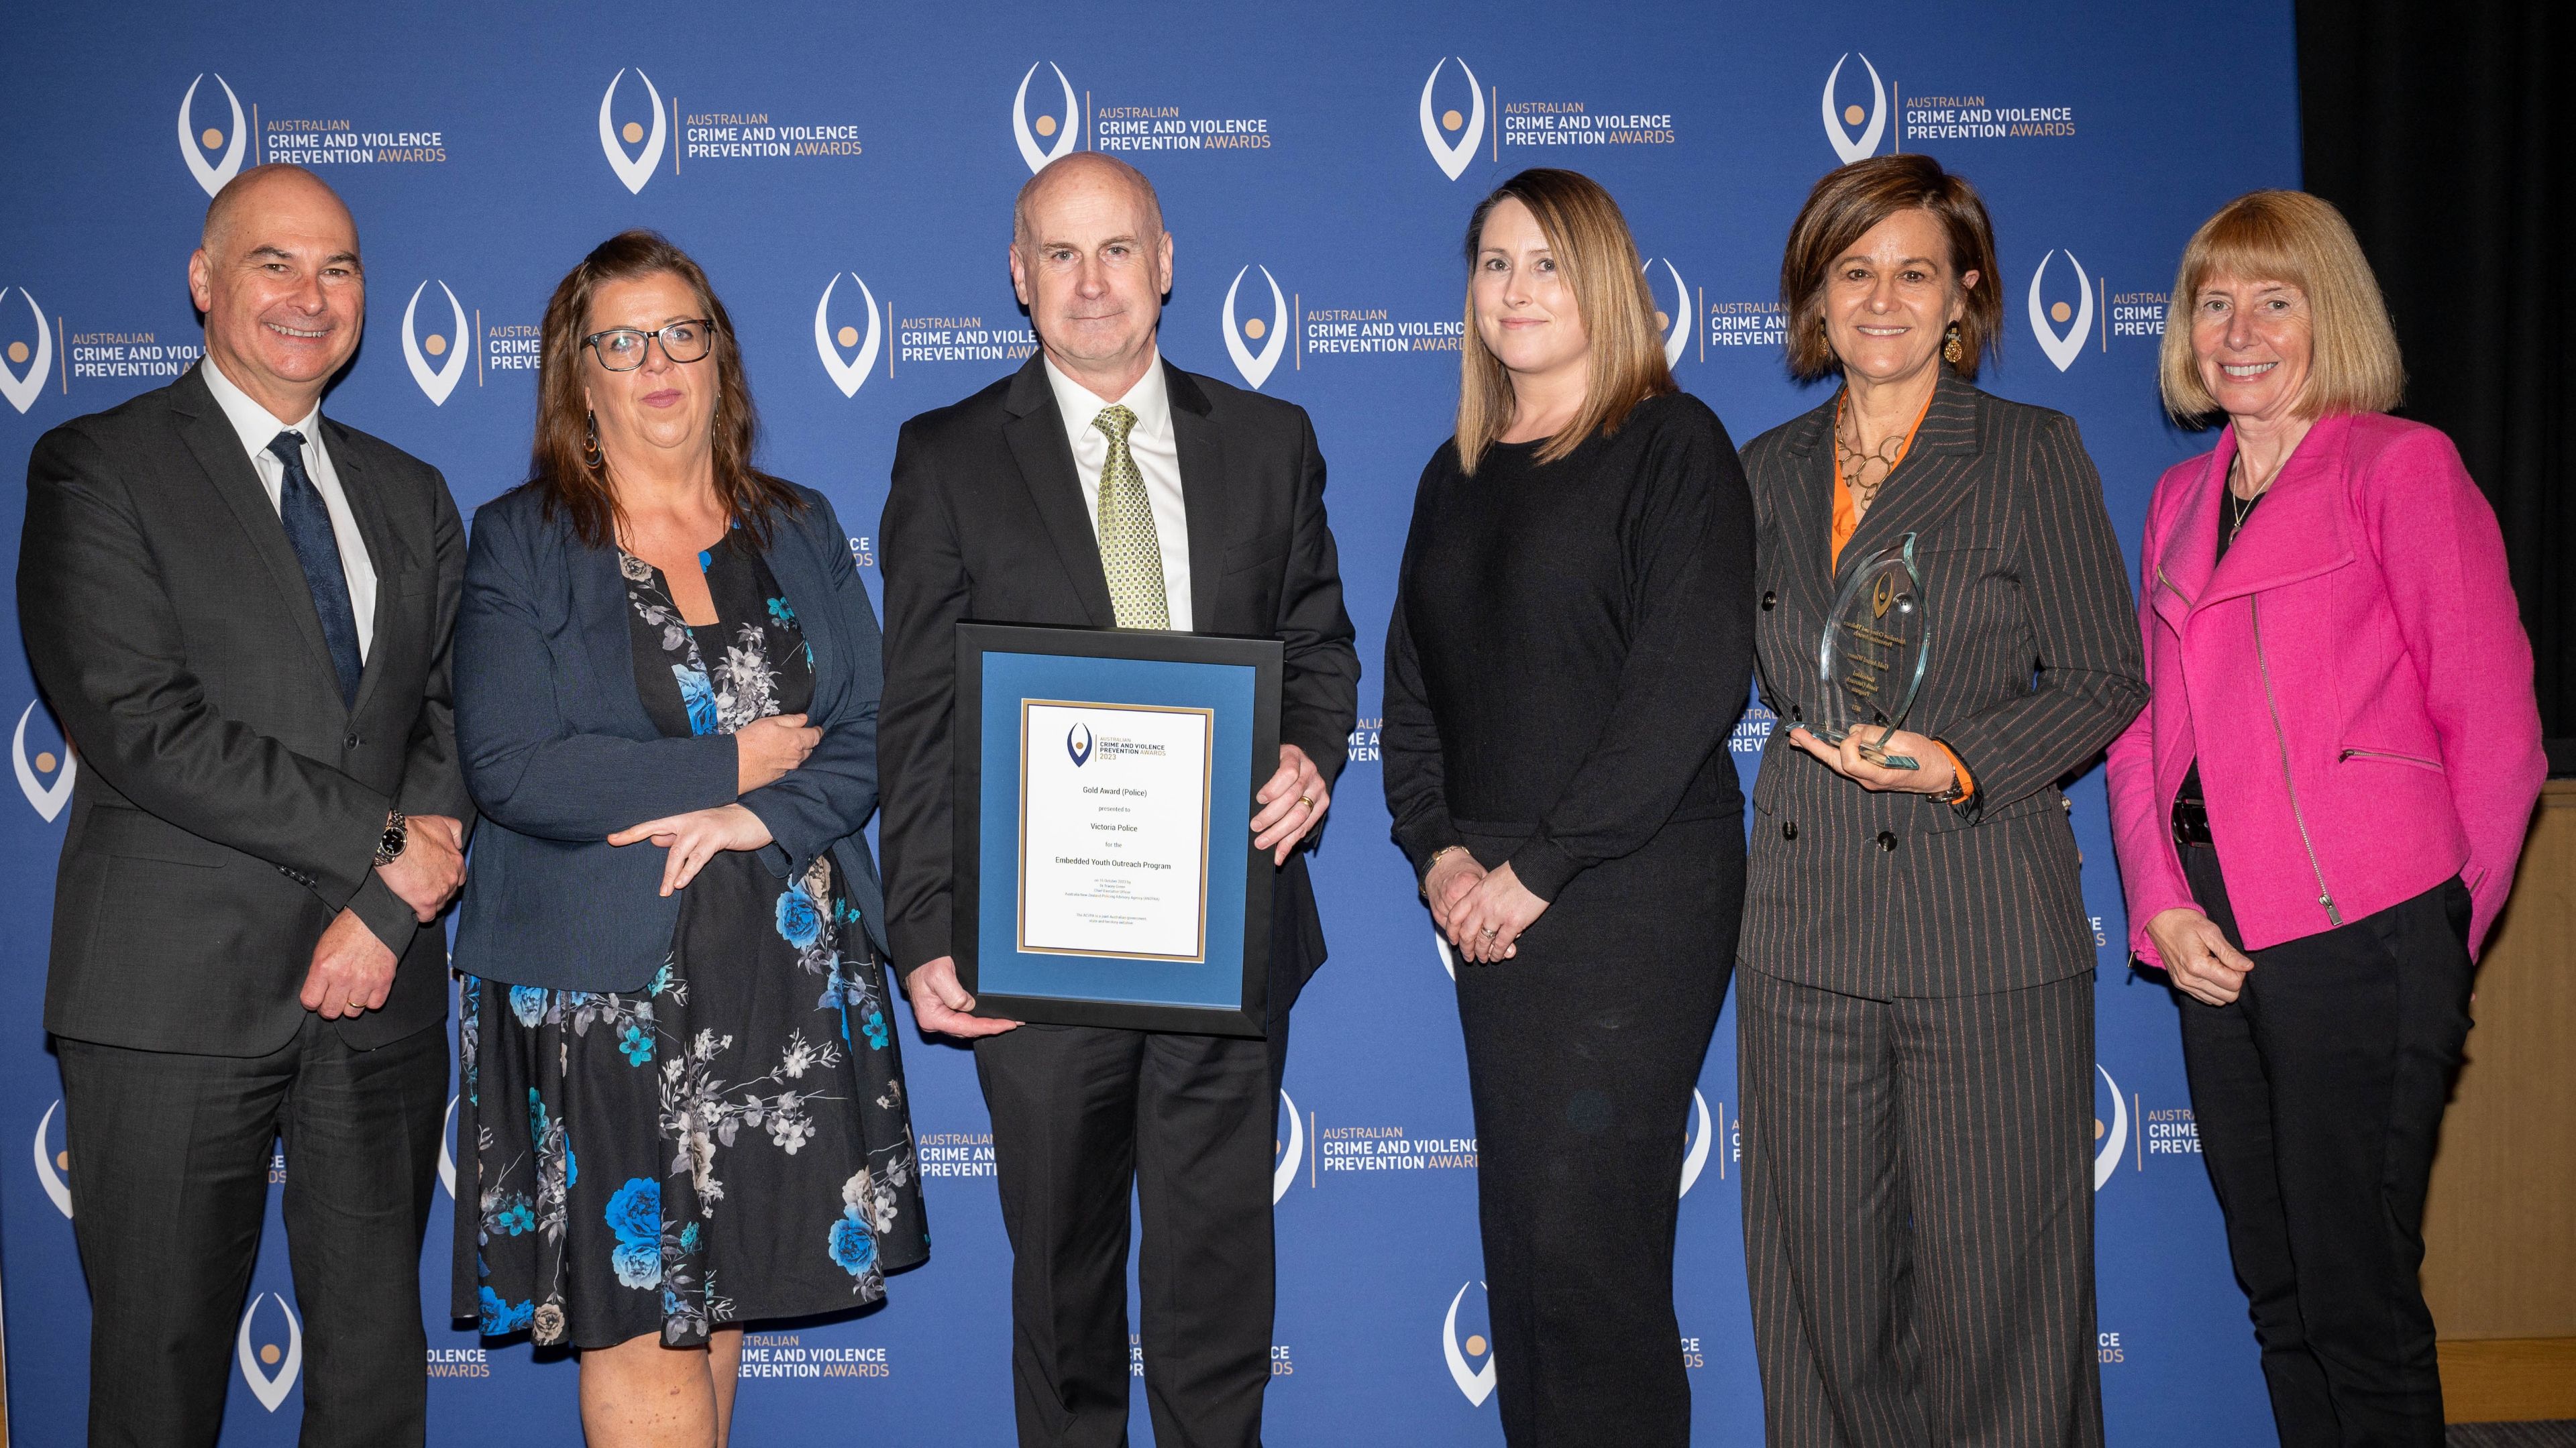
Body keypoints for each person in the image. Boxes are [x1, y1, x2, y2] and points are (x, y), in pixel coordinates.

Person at [878, 151, 1358, 1448]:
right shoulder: (949, 456)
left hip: (1226, 934)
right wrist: (923, 928)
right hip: (1036, 957)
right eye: (1059, 255)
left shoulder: (1270, 440)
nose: (1091, 284)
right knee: (1063, 1296)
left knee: (1217, 1293)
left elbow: (1318, 646)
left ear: (1166, 263)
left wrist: (1312, 752)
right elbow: (917, 711)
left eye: (1117, 250)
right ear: (1018, 278)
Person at [15, 163, 470, 1445]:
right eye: (275, 262)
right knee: (157, 1383)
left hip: (381, 994)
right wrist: (382, 843)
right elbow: (141, 724)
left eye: (339, 268)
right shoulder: (94, 467)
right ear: (205, 282)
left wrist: (385, 908)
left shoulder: (410, 491)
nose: (309, 296)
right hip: (170, 996)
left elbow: (445, 718)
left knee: (375, 1379)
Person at [449, 230, 923, 1446]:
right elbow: (512, 766)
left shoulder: (801, 525)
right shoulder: (520, 541)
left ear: (720, 357)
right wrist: (735, 760)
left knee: (712, 1328)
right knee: (645, 1341)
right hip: (604, 993)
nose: (656, 363)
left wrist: (752, 813)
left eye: (682, 334)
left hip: (783, 976)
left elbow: (871, 729)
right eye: (622, 341)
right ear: (579, 374)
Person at [2105, 190, 2544, 1447]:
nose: (2239, 330)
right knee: (2280, 1294)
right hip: (2214, 937)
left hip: (2373, 931)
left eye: (2275, 300)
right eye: (2214, 302)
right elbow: (2141, 730)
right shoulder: (2179, 500)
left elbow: (2498, 736)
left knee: (2358, 1300)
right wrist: (2159, 902)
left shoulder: (2400, 467)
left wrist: (2432, 942)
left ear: (2329, 316)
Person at [1734, 154, 2145, 1448]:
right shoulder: (1760, 470)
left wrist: (1960, 756)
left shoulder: (2030, 451)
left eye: (1915, 272)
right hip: (1803, 942)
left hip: (1984, 928)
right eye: (1853, 271)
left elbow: (2103, 677)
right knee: (1825, 1319)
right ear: (1814, 298)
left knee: (2002, 1320)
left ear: (1965, 296)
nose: (1884, 298)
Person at [1379, 166, 1754, 1447]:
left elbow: (1688, 687)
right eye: (1495, 263)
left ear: (1605, 281)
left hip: (1631, 899)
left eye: (1547, 261)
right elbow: (1413, 692)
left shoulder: (1672, 444)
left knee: (1589, 1258)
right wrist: (1438, 858)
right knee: (1530, 1257)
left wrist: (1532, 873)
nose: (1517, 289)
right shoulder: (1455, 473)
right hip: (1491, 908)